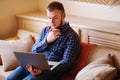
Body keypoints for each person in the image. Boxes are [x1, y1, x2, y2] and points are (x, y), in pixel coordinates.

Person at [5, 1, 80, 80]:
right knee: (9, 78)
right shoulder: (45, 30)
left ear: (64, 16)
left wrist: (43, 71)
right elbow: (34, 50)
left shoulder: (72, 37)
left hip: (51, 73)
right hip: (33, 65)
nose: (52, 21)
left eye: (55, 18)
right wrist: (46, 41)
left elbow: (67, 64)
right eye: (49, 18)